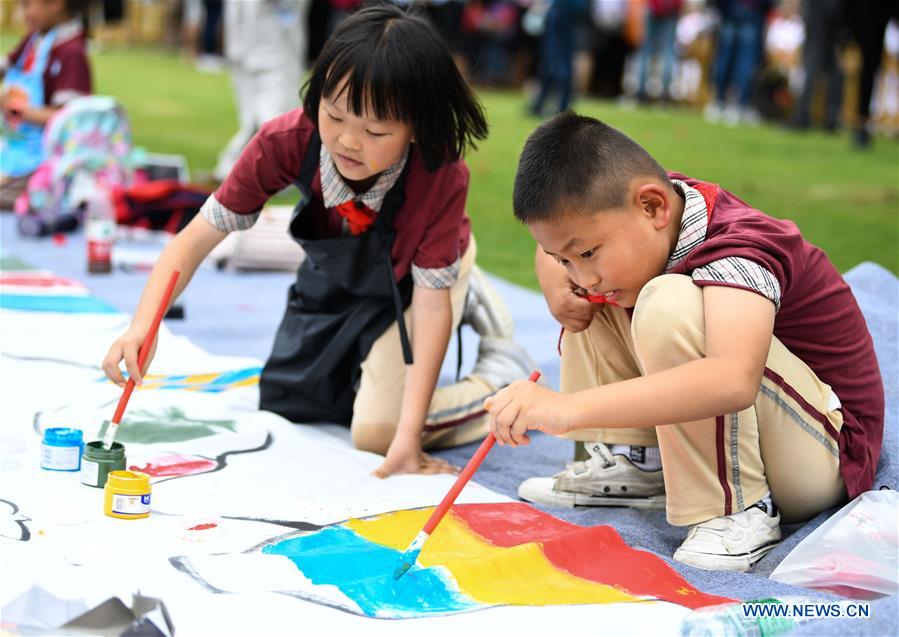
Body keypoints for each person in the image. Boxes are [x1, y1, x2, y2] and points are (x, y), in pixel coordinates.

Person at [102, 4, 532, 478]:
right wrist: (144, 325)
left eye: (374, 130)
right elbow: (193, 241)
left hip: (422, 280)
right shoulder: (284, 141)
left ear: (416, 129)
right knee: (294, 403)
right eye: (335, 115)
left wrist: (408, 440)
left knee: (376, 432)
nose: (348, 141)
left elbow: (430, 308)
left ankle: (499, 373)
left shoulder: (440, 173)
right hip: (347, 269)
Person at [484, 112, 884, 571]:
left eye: (587, 253)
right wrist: (558, 283)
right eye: (565, 258)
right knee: (606, 290)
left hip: (822, 460)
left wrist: (566, 409)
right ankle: (639, 461)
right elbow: (558, 243)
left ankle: (736, 509)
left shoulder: (742, 247)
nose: (581, 271)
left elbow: (732, 379)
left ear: (654, 208)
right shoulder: (632, 213)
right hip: (774, 434)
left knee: (667, 301)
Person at [0, 0, 91, 210]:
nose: (23, 12)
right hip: (15, 152)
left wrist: (11, 107)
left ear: (56, 3)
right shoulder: (35, 39)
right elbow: (6, 65)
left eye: (27, 4)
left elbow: (68, 118)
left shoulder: (71, 53)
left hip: (44, 167)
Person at [212, 0, 309, 181]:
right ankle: (232, 169)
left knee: (275, 121)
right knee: (250, 120)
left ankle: (279, 176)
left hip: (278, 56)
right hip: (243, 53)